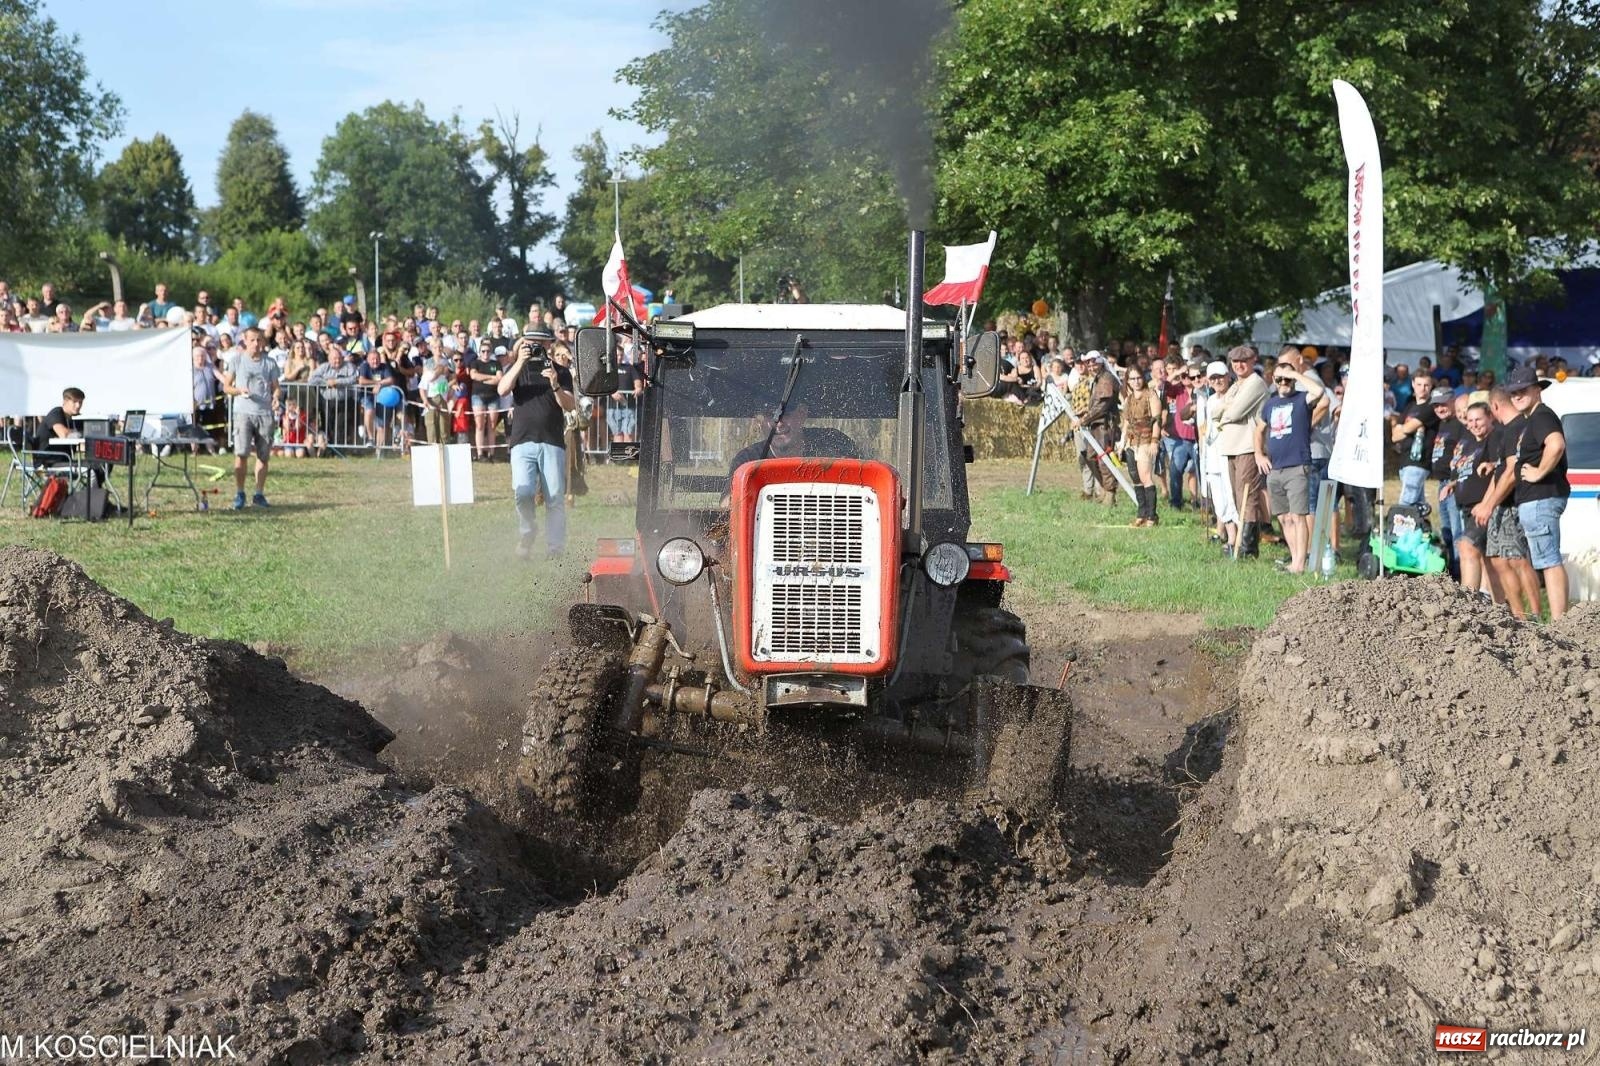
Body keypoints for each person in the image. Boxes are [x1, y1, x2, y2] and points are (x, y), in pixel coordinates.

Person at [498, 329, 576, 560]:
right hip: (522, 441)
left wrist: (555, 384)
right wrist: (520, 361)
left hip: (552, 441)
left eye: (537, 343)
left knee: (554, 497)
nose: (533, 347)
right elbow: (502, 389)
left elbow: (570, 406)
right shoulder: (517, 370)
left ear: (548, 344)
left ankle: (555, 548)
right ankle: (527, 532)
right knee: (523, 493)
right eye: (529, 342)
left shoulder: (560, 371)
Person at [1506, 365, 1570, 619]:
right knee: (1547, 560)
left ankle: (1559, 623)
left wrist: (1538, 472)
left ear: (1536, 389)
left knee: (1550, 561)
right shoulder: (1532, 419)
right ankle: (1560, 622)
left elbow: (1556, 445)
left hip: (1541, 497)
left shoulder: (1541, 415)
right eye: (1513, 392)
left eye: (1522, 390)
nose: (1517, 396)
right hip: (1536, 499)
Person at [1472, 389, 1542, 620]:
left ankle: (1534, 615)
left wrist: (1489, 504)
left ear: (1494, 406)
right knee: (1498, 560)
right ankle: (1517, 615)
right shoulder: (1507, 431)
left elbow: (1512, 473)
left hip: (1513, 502)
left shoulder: (1516, 428)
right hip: (1500, 504)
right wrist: (1485, 503)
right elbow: (1501, 471)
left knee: (1517, 560)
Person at [1254, 365, 1325, 572]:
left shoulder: (1302, 399)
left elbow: (1319, 392)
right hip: (1275, 468)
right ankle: (1294, 559)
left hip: (1297, 465)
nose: (1283, 384)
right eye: (1279, 380)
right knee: (1284, 517)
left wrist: (1294, 374)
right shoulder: (1270, 404)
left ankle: (1299, 564)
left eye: (1287, 380)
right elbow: (1259, 430)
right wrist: (1259, 454)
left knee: (1297, 515)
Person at [1216, 345, 1270, 558]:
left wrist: (1226, 409)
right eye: (1235, 362)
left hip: (1248, 446)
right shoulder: (1237, 384)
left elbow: (1235, 412)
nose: (1239, 365)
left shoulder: (1255, 383)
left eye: (1244, 361)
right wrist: (1226, 408)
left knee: (1248, 497)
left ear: (1252, 360)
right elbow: (1214, 411)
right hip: (1232, 446)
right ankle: (1244, 545)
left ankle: (1248, 549)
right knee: (1238, 496)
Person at [219, 326, 281, 509]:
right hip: (243, 413)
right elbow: (226, 387)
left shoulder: (270, 363)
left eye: (259, 340)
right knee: (241, 453)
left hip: (264, 414)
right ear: (245, 340)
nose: (256, 343)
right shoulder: (236, 360)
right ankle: (240, 493)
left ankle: (259, 494)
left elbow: (276, 387)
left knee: (263, 456)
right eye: (252, 340)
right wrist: (239, 391)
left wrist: (276, 397)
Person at [1446, 401, 1497, 599]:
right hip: (1467, 507)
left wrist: (1486, 503)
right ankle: (1491, 600)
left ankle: (1467, 601)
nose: (1474, 424)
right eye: (1470, 420)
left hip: (1484, 507)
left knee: (1467, 547)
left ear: (1490, 417)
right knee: (1485, 558)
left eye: (1478, 419)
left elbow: (1501, 466)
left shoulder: (1493, 438)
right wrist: (1454, 484)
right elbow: (1465, 470)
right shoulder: (1469, 441)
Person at [1425, 385, 1464, 572]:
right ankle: (1449, 568)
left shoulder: (1459, 425)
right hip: (1441, 484)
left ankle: (1458, 570)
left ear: (1452, 402)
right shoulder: (1442, 424)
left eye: (1443, 404)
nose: (1439, 409)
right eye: (1436, 406)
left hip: (1453, 483)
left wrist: (1454, 480)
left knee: (1457, 530)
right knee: (1446, 529)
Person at [1120, 369, 1165, 526]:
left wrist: (1154, 441)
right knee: (1136, 479)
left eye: (1138, 377)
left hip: (1146, 440)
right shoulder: (1129, 399)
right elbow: (1126, 422)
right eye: (1132, 378)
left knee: (1146, 477)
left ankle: (1152, 517)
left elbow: (1157, 420)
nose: (1136, 381)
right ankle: (1142, 513)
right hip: (1131, 442)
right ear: (1128, 381)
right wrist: (1122, 442)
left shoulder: (1151, 395)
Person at [1389, 370, 1438, 507]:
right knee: (1418, 506)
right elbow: (1394, 436)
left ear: (1431, 386)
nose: (1422, 388)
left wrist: (1406, 428)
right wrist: (1407, 428)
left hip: (1418, 461)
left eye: (1426, 385)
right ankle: (1421, 528)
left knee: (1406, 503)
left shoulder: (1431, 407)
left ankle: (1401, 529)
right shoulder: (1409, 405)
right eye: (1419, 384)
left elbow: (1406, 429)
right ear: (1413, 384)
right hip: (1405, 460)